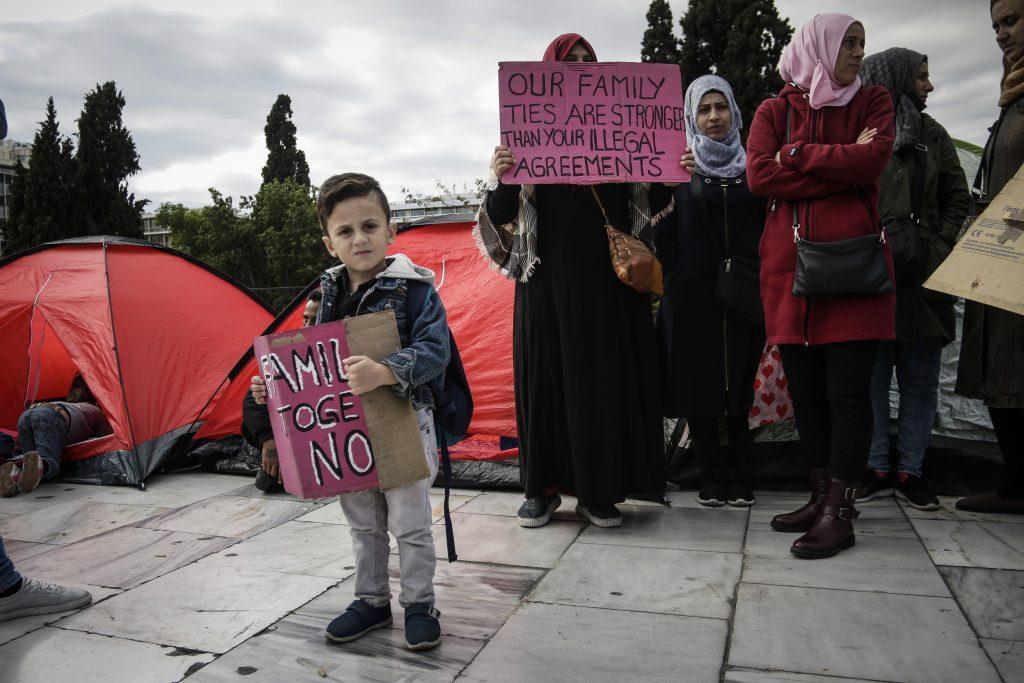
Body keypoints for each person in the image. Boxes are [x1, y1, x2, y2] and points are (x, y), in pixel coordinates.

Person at [475, 33, 673, 529]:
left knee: (600, 385)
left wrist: (670, 171)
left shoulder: (618, 131)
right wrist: (504, 176)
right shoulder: (528, 142)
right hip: (545, 289)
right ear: (549, 73)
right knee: (546, 384)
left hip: (607, 289)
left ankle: (597, 491)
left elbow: (646, 199)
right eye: (571, 61)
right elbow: (500, 216)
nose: (581, 68)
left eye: (589, 60)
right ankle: (540, 491)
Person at [252, 173, 449, 650]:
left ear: (390, 231)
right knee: (363, 521)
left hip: (404, 420)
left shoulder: (417, 290)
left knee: (410, 523)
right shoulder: (324, 299)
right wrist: (276, 386)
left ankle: (420, 603)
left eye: (369, 226)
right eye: (345, 231)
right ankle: (371, 600)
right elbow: (314, 363)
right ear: (329, 243)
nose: (359, 238)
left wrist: (385, 371)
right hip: (348, 427)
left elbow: (435, 351)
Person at [746, 13, 895, 558]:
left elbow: (872, 159)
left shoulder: (874, 102)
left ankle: (840, 510)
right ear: (819, 46)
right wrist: (839, 165)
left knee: (847, 393)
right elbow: (759, 175)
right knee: (807, 394)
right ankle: (819, 495)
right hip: (788, 276)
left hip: (853, 272)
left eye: (861, 42)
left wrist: (798, 156)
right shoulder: (774, 109)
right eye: (848, 43)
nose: (857, 52)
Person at [856, 49, 970, 510]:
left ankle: (912, 472)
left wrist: (939, 244)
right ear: (897, 78)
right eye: (921, 77)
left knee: (921, 379)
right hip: (873, 274)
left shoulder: (933, 134)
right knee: (873, 378)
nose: (930, 86)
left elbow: (957, 195)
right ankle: (878, 467)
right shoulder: (865, 132)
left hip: (923, 275)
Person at [654, 75, 765, 508]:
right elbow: (661, 229)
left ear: (734, 111)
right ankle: (711, 472)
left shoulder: (753, 167)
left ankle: (740, 471)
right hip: (692, 296)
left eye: (721, 107)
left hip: (743, 296)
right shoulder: (677, 170)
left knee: (739, 383)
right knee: (699, 385)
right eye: (704, 109)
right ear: (691, 117)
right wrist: (678, 273)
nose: (714, 117)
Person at [955, 0, 1024, 515]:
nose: (1002, 34)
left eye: (1013, 20)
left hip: (1016, 250)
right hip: (1003, 255)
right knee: (1002, 369)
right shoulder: (1011, 100)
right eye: (996, 25)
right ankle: (1017, 485)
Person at [243, 288, 322, 493]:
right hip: (297, 434)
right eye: (305, 319)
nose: (308, 326)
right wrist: (269, 440)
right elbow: (251, 402)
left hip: (329, 436)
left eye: (316, 320)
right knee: (268, 482)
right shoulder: (287, 353)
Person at [1, 376, 109, 497]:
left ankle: (12, 473)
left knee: (30, 465)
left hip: (25, 416)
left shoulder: (67, 405)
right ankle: (41, 465)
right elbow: (106, 438)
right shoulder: (95, 411)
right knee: (49, 465)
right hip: (50, 417)